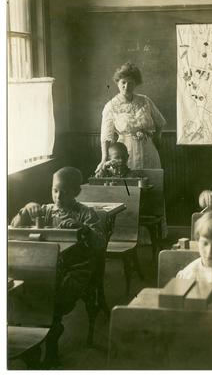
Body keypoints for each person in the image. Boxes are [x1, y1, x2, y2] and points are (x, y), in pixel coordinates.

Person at [11, 167, 105, 365]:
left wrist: (83, 229)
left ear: (76, 192)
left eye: (65, 192)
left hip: (76, 267)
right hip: (44, 265)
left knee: (54, 299)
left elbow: (99, 244)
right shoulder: (45, 211)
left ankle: (51, 344)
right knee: (27, 292)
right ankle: (30, 342)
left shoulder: (86, 214)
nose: (58, 196)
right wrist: (25, 209)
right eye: (55, 190)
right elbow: (15, 225)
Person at [96, 62, 166, 172]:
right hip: (125, 152)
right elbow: (106, 137)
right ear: (117, 82)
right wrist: (104, 159)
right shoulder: (111, 106)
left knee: (151, 181)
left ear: (135, 84)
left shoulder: (145, 101)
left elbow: (160, 122)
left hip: (148, 149)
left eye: (131, 83)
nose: (127, 86)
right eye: (123, 82)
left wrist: (157, 138)